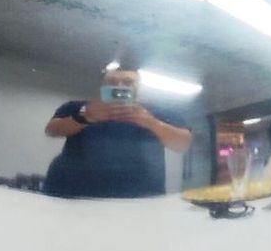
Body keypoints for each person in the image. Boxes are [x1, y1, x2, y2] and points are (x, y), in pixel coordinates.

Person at [41, 65, 192, 199]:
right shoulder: (78, 107)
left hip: (141, 197)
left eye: (128, 82)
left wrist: (151, 122)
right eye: (112, 82)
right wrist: (85, 116)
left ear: (138, 88)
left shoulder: (159, 111)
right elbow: (51, 130)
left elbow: (183, 144)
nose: (119, 87)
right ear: (102, 87)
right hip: (71, 193)